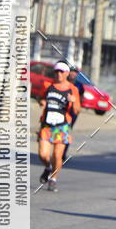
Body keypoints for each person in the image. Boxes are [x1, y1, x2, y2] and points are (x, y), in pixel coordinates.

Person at [38, 61, 81, 191]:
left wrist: (73, 102)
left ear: (67, 73)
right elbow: (41, 98)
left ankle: (53, 179)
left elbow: (77, 110)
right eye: (56, 71)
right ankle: (48, 167)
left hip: (62, 126)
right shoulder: (47, 85)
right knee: (43, 154)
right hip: (46, 124)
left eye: (61, 72)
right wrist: (42, 102)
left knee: (57, 155)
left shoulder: (73, 89)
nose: (58, 74)